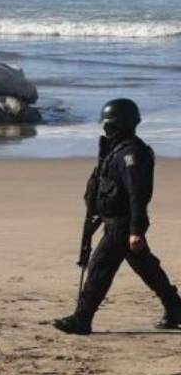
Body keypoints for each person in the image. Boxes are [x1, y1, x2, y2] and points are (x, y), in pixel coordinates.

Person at [54, 99, 181, 335]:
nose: (105, 128)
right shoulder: (117, 150)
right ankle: (176, 310)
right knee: (148, 269)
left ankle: (82, 319)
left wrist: (136, 230)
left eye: (109, 124)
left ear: (121, 124)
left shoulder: (131, 154)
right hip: (115, 221)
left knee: (99, 267)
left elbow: (137, 195)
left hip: (123, 224)